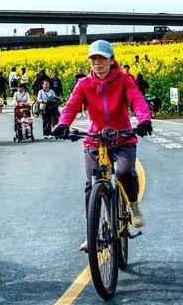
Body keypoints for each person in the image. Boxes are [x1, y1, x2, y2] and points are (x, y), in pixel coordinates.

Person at [53, 40, 153, 249]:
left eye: (102, 58)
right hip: (95, 139)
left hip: (123, 136)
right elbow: (71, 107)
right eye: (93, 59)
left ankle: (133, 206)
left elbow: (137, 100)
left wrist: (144, 120)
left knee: (125, 173)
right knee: (91, 183)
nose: (97, 63)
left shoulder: (124, 80)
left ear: (111, 60)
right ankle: (93, 232)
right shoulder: (83, 84)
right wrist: (63, 124)